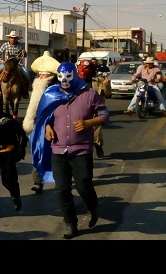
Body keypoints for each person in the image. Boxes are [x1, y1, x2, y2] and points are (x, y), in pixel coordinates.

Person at [30, 62, 109, 239]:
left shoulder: (89, 94)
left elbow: (104, 114)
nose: (64, 80)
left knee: (84, 185)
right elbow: (43, 117)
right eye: (61, 77)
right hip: (58, 150)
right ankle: (70, 223)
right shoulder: (51, 94)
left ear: (75, 75)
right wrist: (47, 128)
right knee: (62, 189)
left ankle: (92, 207)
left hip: (81, 150)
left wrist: (89, 123)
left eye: (68, 77)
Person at [22, 50, 59, 194]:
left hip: (56, 124)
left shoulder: (57, 88)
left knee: (57, 153)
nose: (40, 76)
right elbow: (32, 107)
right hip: (39, 124)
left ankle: (60, 178)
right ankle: (38, 181)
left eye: (43, 74)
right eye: (39, 74)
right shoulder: (38, 85)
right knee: (38, 152)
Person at [0, 31, 30, 98]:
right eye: (11, 38)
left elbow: (26, 56)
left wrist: (24, 53)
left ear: (17, 39)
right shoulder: (5, 45)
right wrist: (2, 61)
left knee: (27, 75)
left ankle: (25, 91)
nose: (13, 39)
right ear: (9, 38)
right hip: (7, 64)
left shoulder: (20, 45)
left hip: (17, 64)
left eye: (14, 38)